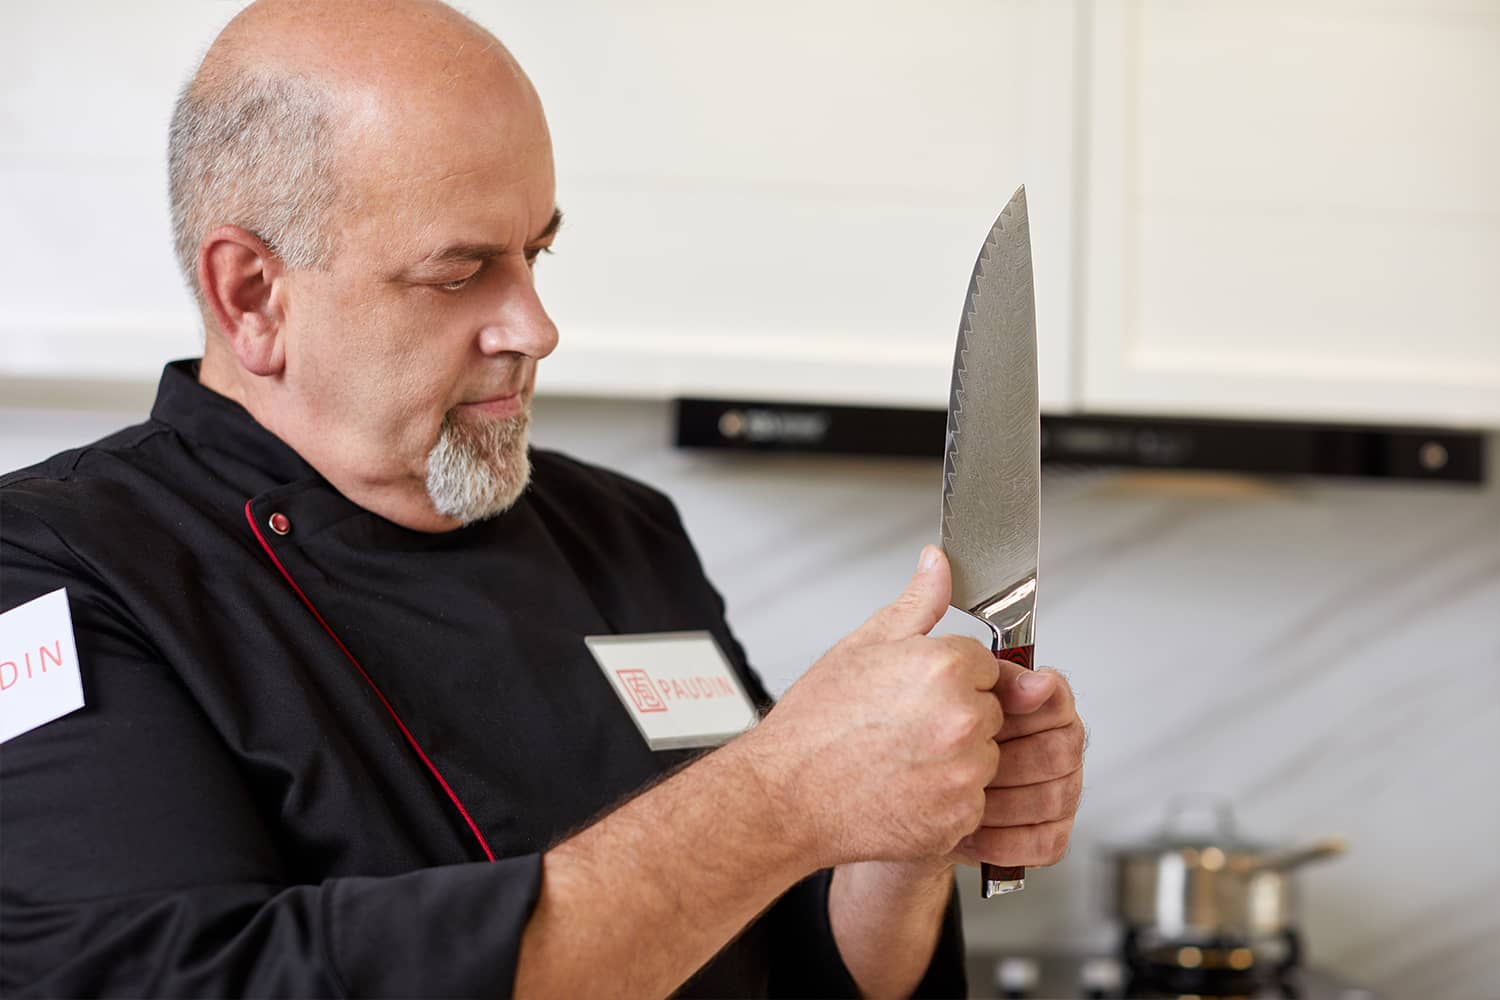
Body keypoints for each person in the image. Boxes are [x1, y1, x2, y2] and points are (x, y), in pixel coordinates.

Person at [0, 1, 1086, 996]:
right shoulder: (54, 575)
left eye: (536, 252)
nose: (537, 326)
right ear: (253, 295)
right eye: (458, 271)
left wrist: (900, 835)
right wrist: (782, 795)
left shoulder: (619, 530)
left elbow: (799, 960)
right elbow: (194, 981)